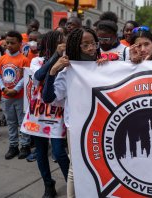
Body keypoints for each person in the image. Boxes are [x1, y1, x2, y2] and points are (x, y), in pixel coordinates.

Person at [42, 27, 104, 198]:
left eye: (93, 43)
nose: (91, 48)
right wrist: (53, 72)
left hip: (101, 123)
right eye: (85, 45)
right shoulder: (68, 72)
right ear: (76, 47)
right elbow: (48, 98)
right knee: (75, 167)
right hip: (77, 127)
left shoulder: (103, 65)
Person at [22, 30, 70, 198]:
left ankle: (71, 184)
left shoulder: (66, 62)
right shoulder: (37, 60)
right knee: (41, 152)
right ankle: (48, 185)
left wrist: (60, 59)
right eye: (60, 41)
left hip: (56, 113)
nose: (63, 44)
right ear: (51, 44)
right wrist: (55, 57)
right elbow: (38, 75)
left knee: (59, 152)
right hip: (37, 112)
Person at [0, 30, 31, 160]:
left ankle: (25, 145)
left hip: (20, 96)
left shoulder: (24, 60)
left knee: (22, 121)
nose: (9, 45)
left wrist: (15, 89)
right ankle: (13, 145)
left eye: (12, 43)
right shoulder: (2, 59)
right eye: (7, 43)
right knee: (10, 121)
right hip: (6, 96)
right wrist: (3, 88)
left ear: (20, 44)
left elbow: (25, 77)